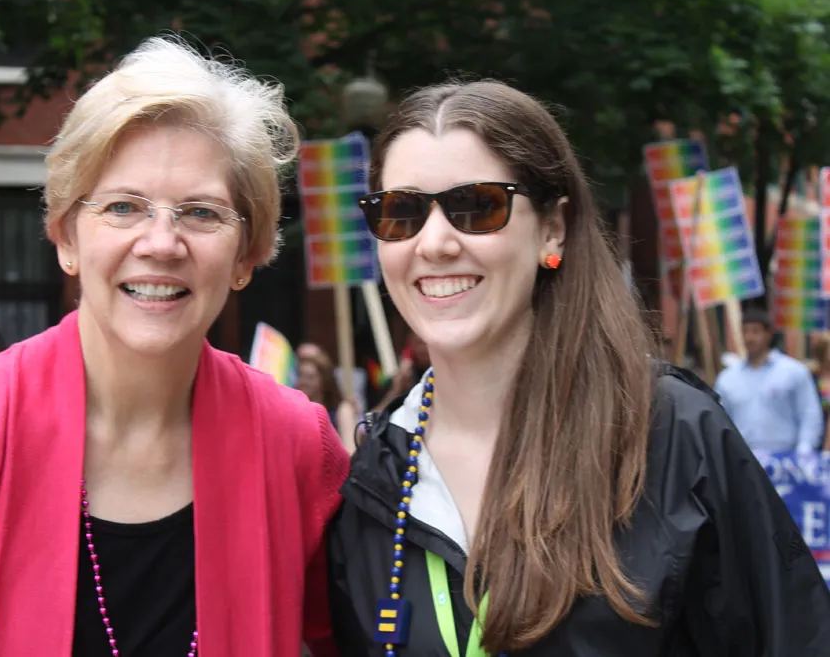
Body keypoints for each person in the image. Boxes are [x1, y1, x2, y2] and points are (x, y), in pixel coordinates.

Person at [0, 36, 347, 657]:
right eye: (124, 206)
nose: (161, 243)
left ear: (246, 256)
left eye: (201, 212)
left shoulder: (298, 447)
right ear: (66, 239)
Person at [326, 80, 830, 656]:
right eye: (402, 212)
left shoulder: (671, 433)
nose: (434, 242)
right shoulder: (375, 476)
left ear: (553, 228)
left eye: (477, 207)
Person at [715, 308, 824, 454]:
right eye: (745, 331)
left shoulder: (793, 371)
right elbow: (719, 422)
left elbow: (810, 414)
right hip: (743, 459)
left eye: (755, 331)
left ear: (768, 334)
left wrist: (804, 453)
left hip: (786, 457)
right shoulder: (727, 379)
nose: (749, 337)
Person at [295, 344, 359, 453]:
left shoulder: (342, 410)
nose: (303, 382)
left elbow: (350, 452)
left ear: (324, 380)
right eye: (300, 375)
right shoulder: (296, 411)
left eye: (310, 377)